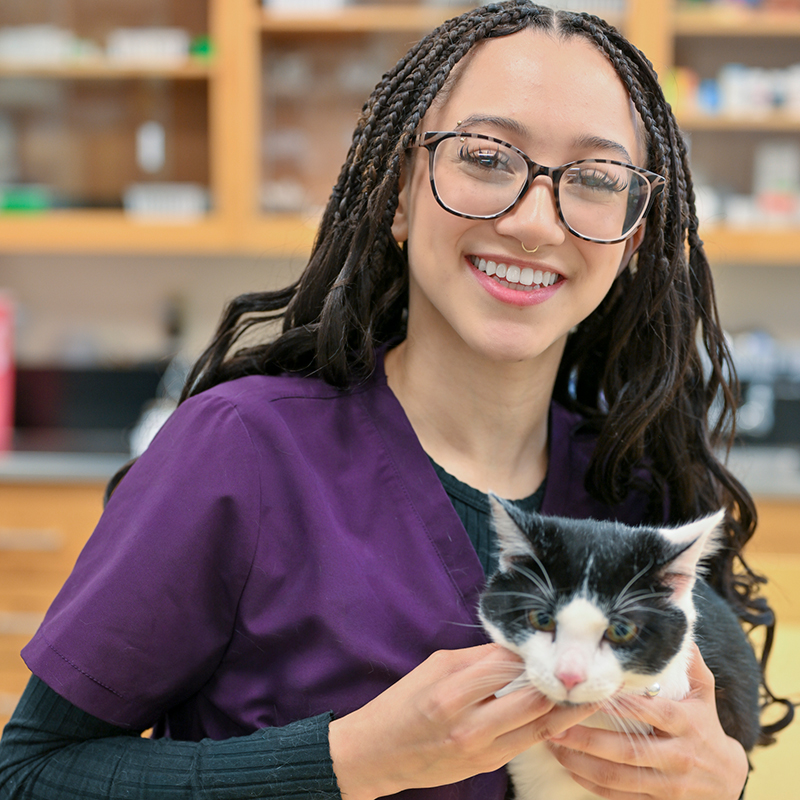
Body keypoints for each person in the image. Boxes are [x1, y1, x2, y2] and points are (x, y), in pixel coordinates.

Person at [0, 2, 791, 798]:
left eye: (592, 179)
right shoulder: (242, 452)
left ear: (633, 237)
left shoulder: (635, 490)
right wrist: (345, 761)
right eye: (486, 157)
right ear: (400, 195)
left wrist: (724, 783)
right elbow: (27, 775)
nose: (532, 221)